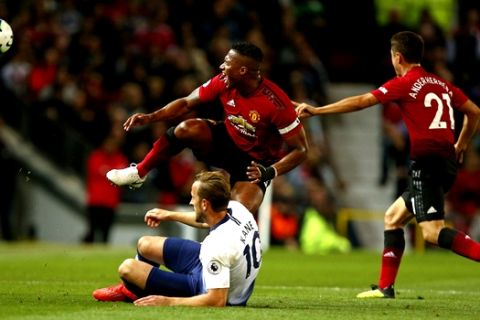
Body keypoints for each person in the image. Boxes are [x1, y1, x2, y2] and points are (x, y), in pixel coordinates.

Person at [295, 31, 480, 298]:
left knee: (431, 232)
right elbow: (473, 111)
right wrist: (461, 143)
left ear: (398, 57)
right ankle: (385, 288)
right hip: (446, 162)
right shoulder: (441, 83)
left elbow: (361, 102)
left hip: (426, 163)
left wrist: (317, 110)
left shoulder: (404, 83)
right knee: (393, 217)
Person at [106, 41, 309, 214]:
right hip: (226, 141)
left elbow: (301, 150)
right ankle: (139, 172)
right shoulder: (223, 81)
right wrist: (151, 117)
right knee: (186, 129)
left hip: (254, 164)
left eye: (227, 63)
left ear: (243, 70)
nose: (222, 66)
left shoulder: (276, 104)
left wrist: (269, 172)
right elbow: (186, 103)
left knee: (238, 212)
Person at [92, 170, 261, 307]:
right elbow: (205, 220)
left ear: (204, 204)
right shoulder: (236, 208)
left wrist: (168, 301)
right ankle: (133, 289)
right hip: (212, 263)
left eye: (193, 197)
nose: (190, 202)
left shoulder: (217, 245)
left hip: (205, 286)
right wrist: (169, 215)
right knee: (145, 243)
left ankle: (133, 291)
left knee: (127, 268)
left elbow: (217, 300)